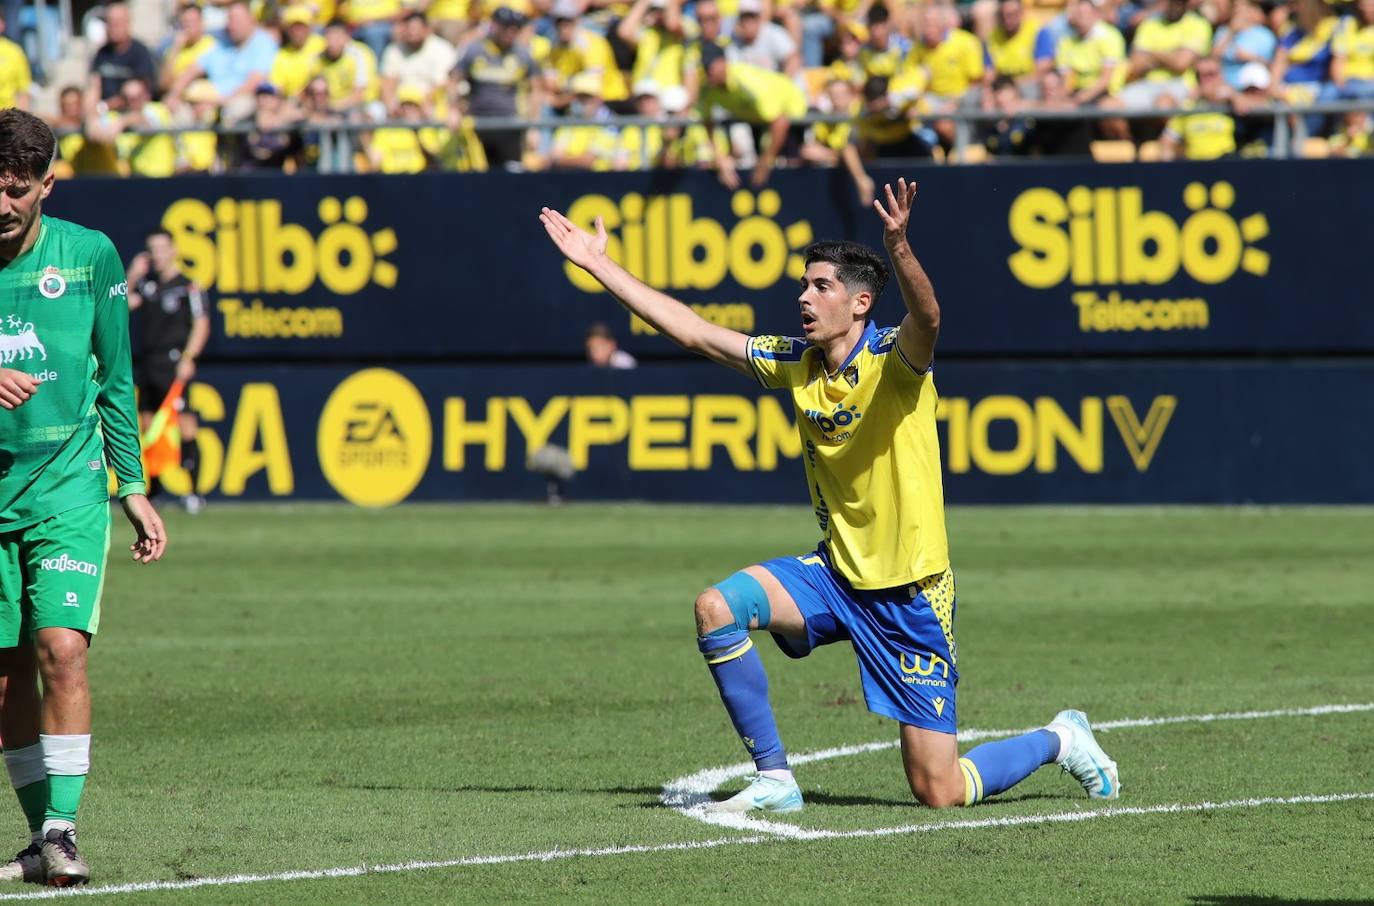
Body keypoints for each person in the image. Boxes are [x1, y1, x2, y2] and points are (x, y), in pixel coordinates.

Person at [538, 179, 1120, 816]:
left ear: (861, 302)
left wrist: (899, 245)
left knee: (939, 790)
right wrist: (597, 265)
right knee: (717, 607)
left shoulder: (894, 365)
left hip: (910, 595)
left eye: (821, 286)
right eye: (804, 285)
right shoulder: (797, 362)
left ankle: (1061, 738)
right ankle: (775, 779)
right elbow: (697, 334)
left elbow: (927, 317)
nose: (804, 297)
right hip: (837, 576)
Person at [0, 108, 166, 888]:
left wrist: (131, 485)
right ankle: (41, 839)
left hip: (68, 483)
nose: (1, 205)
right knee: (4, 676)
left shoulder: (91, 256)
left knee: (61, 649)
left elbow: (119, 378)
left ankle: (62, 832)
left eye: (15, 189)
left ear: (46, 185)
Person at [125, 230, 210, 513]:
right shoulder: (148, 288)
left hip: (174, 361)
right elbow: (119, 304)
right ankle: (156, 491)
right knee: (149, 426)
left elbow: (201, 323)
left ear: (173, 250)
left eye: (162, 248)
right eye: (152, 249)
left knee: (185, 426)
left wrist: (189, 356)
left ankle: (194, 492)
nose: (157, 254)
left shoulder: (188, 286)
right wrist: (133, 275)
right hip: (149, 362)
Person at [87, 2, 158, 111]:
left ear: (128, 23)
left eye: (118, 22)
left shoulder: (140, 52)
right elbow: (94, 87)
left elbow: (140, 94)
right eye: (110, 22)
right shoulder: (101, 54)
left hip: (134, 113)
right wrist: (91, 113)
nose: (114, 26)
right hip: (105, 113)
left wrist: (104, 107)